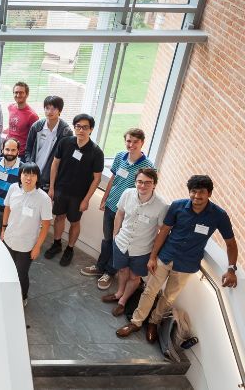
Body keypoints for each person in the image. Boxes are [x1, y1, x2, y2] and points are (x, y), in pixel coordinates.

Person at [116, 175, 238, 343]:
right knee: (149, 291)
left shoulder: (219, 215)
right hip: (165, 257)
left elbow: (231, 243)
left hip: (187, 264)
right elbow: (164, 231)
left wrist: (231, 269)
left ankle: (153, 322)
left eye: (201, 192)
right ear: (189, 192)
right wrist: (153, 257)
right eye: (193, 191)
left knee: (168, 297)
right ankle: (136, 322)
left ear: (209, 193)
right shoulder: (177, 206)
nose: (196, 196)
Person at [82, 128, 155, 290]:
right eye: (129, 141)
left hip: (127, 212)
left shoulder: (148, 166)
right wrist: (105, 198)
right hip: (111, 205)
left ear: (142, 143)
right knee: (107, 239)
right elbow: (113, 179)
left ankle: (109, 272)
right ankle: (100, 267)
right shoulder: (119, 156)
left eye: (135, 142)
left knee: (118, 243)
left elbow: (147, 189)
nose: (131, 145)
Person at [100, 169, 168, 317]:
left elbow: (162, 231)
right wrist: (115, 234)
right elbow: (120, 213)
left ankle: (123, 301)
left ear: (154, 184)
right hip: (121, 243)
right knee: (122, 270)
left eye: (148, 183)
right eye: (140, 182)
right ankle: (119, 293)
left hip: (143, 249)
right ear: (135, 182)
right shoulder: (127, 193)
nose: (143, 186)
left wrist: (153, 255)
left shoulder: (162, 205)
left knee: (134, 277)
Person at [43, 114, 104, 267]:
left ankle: (69, 249)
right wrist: (52, 187)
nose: (81, 130)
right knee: (59, 217)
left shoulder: (96, 152)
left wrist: (86, 200)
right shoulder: (65, 143)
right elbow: (55, 164)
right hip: (61, 190)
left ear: (91, 129)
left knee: (75, 222)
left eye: (85, 127)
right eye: (78, 126)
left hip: (79, 196)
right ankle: (57, 244)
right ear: (74, 127)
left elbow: (97, 179)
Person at [0, 163, 53, 307]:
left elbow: (46, 225)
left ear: (37, 178)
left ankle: (23, 296)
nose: (28, 178)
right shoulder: (13, 188)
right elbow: (7, 208)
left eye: (33, 175)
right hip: (9, 239)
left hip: (27, 245)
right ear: (20, 175)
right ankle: (7, 292)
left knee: (21, 273)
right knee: (7, 268)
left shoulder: (43, 199)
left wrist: (37, 247)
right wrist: (3, 229)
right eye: (25, 174)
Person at [24, 96, 73, 192]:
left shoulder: (66, 132)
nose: (50, 111)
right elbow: (28, 149)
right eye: (47, 108)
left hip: (50, 179)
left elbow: (65, 158)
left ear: (60, 110)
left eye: (54, 108)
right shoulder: (37, 126)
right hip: (32, 172)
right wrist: (29, 165)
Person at [5, 82, 39, 159]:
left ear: (27, 95)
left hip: (20, 153)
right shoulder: (10, 107)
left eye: (21, 93)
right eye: (16, 92)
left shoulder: (32, 116)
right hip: (7, 149)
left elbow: (34, 138)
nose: (18, 95)